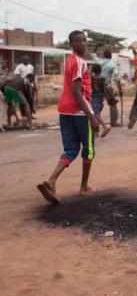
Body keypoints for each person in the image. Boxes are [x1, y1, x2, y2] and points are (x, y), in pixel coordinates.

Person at [36, 30, 100, 205]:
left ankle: (51, 181)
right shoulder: (79, 62)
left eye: (84, 41)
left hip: (65, 111)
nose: (83, 44)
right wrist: (92, 117)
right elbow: (77, 92)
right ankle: (84, 187)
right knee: (89, 149)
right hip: (79, 112)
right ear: (71, 44)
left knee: (71, 150)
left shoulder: (70, 61)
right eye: (79, 41)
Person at [92, 46, 120, 127]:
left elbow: (93, 55)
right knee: (112, 104)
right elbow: (117, 77)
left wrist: (95, 47)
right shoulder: (112, 64)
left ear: (104, 56)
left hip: (96, 86)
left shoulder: (99, 61)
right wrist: (119, 88)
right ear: (110, 56)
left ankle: (96, 121)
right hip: (106, 86)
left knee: (97, 104)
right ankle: (113, 122)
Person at [90, 64, 111, 137]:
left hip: (93, 98)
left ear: (93, 71)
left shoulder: (91, 79)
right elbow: (105, 89)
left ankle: (105, 127)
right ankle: (96, 132)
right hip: (101, 98)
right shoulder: (103, 79)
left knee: (95, 114)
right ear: (100, 71)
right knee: (97, 114)